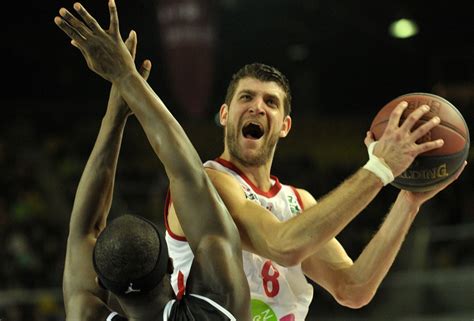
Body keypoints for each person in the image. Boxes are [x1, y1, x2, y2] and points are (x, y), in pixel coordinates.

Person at [165, 64, 467, 319]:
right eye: (247, 97)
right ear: (224, 114)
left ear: (284, 126)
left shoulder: (298, 201)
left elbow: (353, 288)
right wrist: (378, 170)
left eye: (270, 102)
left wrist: (409, 201)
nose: (258, 106)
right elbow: (283, 246)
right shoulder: (206, 183)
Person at [55, 1, 251, 320]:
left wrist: (117, 108)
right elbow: (188, 176)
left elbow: (82, 232)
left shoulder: (83, 314)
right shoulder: (217, 305)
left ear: (101, 282)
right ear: (172, 267)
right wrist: (125, 80)